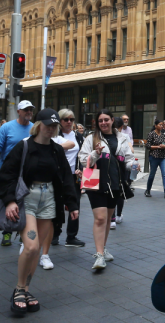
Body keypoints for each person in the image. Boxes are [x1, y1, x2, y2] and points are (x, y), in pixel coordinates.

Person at [0, 108, 78, 315]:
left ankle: (26, 290)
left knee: (37, 248)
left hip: (48, 199)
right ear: (38, 125)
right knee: (31, 247)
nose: (51, 129)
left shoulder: (56, 150)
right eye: (48, 125)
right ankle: (19, 289)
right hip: (27, 199)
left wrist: (72, 204)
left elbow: (66, 177)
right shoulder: (24, 147)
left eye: (54, 126)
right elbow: (7, 175)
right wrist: (10, 200)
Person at [78, 109, 134, 270]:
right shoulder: (91, 138)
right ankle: (99, 255)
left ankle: (103, 248)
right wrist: (95, 153)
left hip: (115, 183)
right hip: (95, 182)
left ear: (112, 121)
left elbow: (128, 159)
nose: (103, 123)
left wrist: (133, 165)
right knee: (101, 218)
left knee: (108, 219)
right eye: (100, 120)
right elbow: (83, 160)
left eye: (106, 120)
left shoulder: (122, 138)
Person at [0, 101, 35, 246]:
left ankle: (24, 232)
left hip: (28, 174)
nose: (28, 112)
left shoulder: (35, 128)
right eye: (25, 109)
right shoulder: (7, 127)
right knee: (9, 202)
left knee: (26, 203)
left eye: (30, 109)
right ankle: (7, 231)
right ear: (18, 111)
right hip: (9, 174)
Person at [49, 108, 85, 249]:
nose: (69, 122)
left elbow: (82, 155)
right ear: (60, 121)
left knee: (74, 205)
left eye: (71, 119)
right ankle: (55, 234)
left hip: (73, 176)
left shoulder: (78, 136)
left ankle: (71, 236)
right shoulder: (53, 135)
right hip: (56, 175)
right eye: (66, 119)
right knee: (56, 205)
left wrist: (81, 169)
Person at [145, 118, 165, 199]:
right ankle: (148, 190)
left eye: (162, 125)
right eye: (160, 125)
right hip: (154, 157)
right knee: (152, 174)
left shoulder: (163, 135)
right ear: (155, 126)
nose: (162, 126)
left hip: (163, 157)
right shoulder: (151, 134)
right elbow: (148, 146)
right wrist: (158, 146)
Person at [110, 117, 129, 228]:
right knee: (120, 191)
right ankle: (117, 216)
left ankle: (112, 219)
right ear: (121, 127)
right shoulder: (124, 137)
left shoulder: (105, 136)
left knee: (112, 191)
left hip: (110, 167)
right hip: (121, 167)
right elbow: (130, 151)